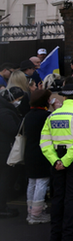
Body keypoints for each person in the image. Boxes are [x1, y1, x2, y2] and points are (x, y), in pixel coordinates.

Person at [40, 78, 73, 241]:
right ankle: (69, 235)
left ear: (64, 98)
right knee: (72, 198)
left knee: (57, 197)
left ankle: (55, 235)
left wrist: (56, 161)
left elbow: (45, 142)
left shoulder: (53, 115)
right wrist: (66, 161)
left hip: (56, 160)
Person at [23, 89, 52, 224]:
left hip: (29, 151)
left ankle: (31, 211)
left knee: (32, 182)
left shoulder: (28, 115)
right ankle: (37, 214)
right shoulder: (46, 116)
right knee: (42, 182)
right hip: (42, 152)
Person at [0, 84, 25, 218]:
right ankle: (2, 207)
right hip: (5, 150)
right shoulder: (6, 113)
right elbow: (13, 130)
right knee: (5, 180)